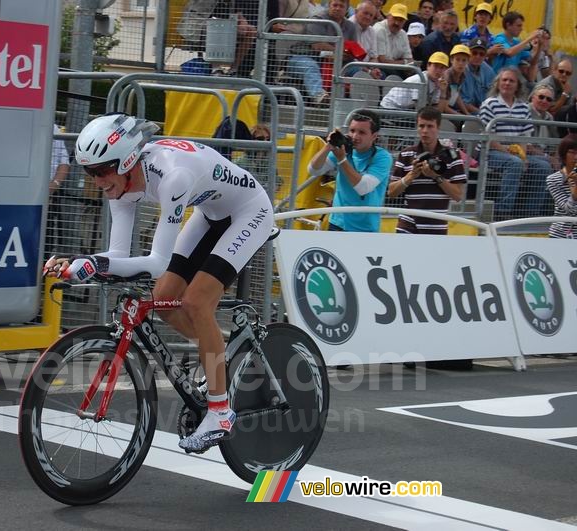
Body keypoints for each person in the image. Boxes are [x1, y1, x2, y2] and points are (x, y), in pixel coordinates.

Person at [45, 113, 274, 454]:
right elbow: (118, 253)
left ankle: (219, 412)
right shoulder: (118, 183)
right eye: (90, 173)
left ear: (126, 162)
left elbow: (157, 263)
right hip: (210, 212)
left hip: (249, 212)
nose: (97, 181)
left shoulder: (173, 177)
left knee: (196, 302)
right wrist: (85, 264)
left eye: (101, 171)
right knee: (165, 302)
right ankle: (219, 355)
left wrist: (93, 265)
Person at [479, 67, 551, 219]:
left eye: (511, 81)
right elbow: (487, 137)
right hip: (490, 151)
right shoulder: (489, 104)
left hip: (516, 152)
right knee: (515, 163)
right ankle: (503, 212)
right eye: (504, 80)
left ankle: (530, 213)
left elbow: (524, 137)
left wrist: (523, 156)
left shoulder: (523, 107)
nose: (507, 83)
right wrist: (512, 154)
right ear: (498, 83)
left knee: (543, 166)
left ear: (518, 85)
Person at [307, 110, 393, 232]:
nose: (355, 137)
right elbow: (313, 170)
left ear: (374, 136)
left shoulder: (382, 157)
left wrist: (342, 160)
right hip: (338, 221)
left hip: (365, 227)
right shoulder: (343, 149)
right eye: (352, 131)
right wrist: (328, 146)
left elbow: (363, 187)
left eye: (362, 132)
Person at [388, 107, 466, 233]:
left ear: (438, 127)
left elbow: (457, 195)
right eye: (421, 126)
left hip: (437, 225)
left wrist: (436, 176)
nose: (425, 131)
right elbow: (391, 192)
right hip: (408, 224)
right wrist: (411, 175)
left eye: (430, 126)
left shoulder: (453, 155)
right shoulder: (406, 154)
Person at [380, 51, 449, 110]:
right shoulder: (420, 79)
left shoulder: (438, 83)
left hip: (404, 110)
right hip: (388, 108)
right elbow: (419, 109)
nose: (438, 70)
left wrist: (443, 92)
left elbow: (438, 111)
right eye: (436, 66)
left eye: (442, 68)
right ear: (428, 66)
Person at [44, 124, 71, 258]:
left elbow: (64, 163)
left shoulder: (53, 128)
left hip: (48, 197)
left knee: (46, 242)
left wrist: (52, 186)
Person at [545, 135, 577, 238]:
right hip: (560, 235)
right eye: (572, 152)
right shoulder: (553, 179)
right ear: (564, 155)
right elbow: (570, 210)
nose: (576, 157)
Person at [374, 3, 413, 73]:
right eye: (395, 18)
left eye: (401, 20)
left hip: (395, 70)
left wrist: (405, 62)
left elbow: (410, 59)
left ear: (405, 22)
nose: (397, 23)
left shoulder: (403, 34)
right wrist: (404, 62)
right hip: (380, 69)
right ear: (388, 16)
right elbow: (382, 61)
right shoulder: (379, 29)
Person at [461, 37, 496, 115]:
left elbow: (494, 96)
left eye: (481, 54)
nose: (478, 56)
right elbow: (462, 102)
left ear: (485, 55)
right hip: (464, 113)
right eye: (474, 53)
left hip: (485, 112)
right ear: (469, 53)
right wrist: (482, 113)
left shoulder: (489, 71)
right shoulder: (461, 69)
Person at [440, 44, 471, 115]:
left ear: (468, 62)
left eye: (464, 60)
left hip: (451, 108)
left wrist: (467, 113)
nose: (460, 63)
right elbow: (444, 107)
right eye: (457, 59)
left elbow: (456, 94)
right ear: (451, 60)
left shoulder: (462, 74)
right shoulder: (446, 76)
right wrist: (461, 116)